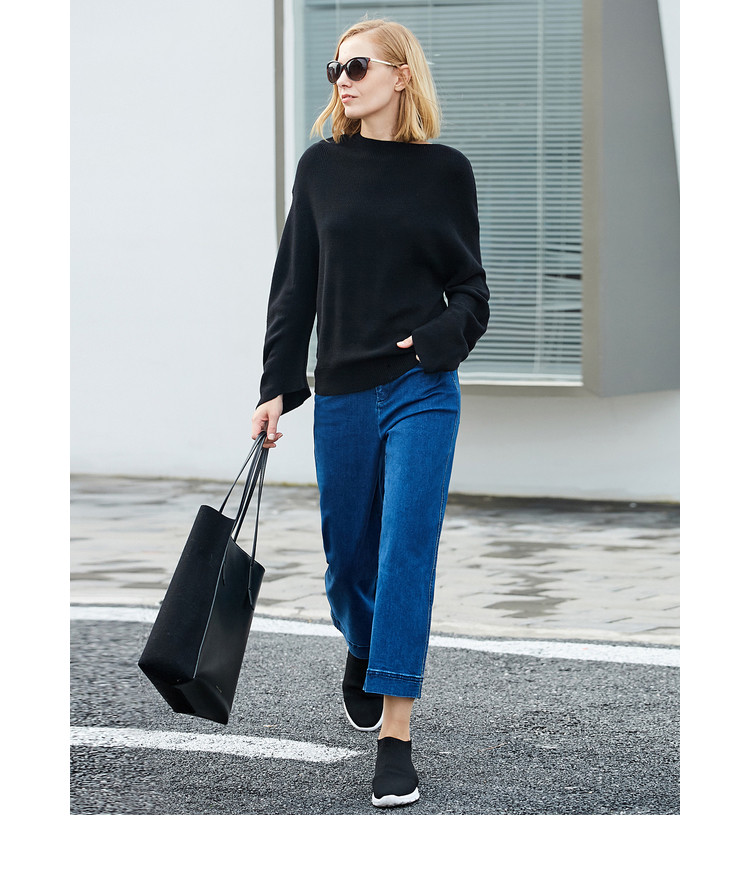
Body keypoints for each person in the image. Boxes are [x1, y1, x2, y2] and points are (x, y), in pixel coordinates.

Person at [252, 18, 490, 808]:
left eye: (356, 66)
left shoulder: (446, 172)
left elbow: (472, 291)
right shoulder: (321, 168)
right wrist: (276, 386)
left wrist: (437, 340)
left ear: (399, 75)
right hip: (345, 392)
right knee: (347, 564)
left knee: (405, 553)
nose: (342, 81)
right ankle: (364, 642)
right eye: (335, 69)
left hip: (422, 387)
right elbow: (294, 286)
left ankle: (396, 736)